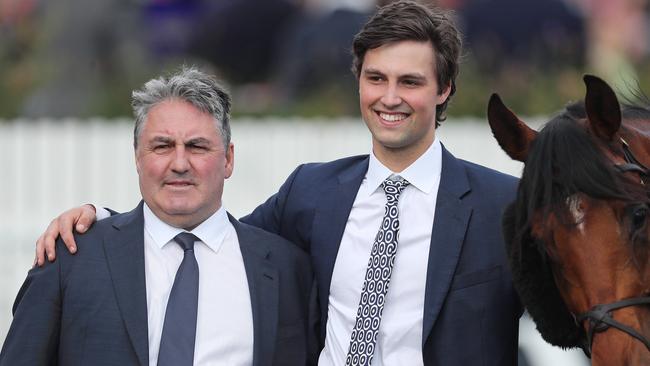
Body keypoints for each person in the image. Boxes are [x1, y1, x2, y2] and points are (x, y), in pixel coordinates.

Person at [33, 1, 522, 365]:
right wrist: (106, 221)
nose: (389, 98)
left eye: (410, 82)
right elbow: (212, 241)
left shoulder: (503, 204)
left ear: (445, 88)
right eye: (376, 78)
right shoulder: (312, 191)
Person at [1, 67, 316, 366]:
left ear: (228, 159)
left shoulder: (287, 271)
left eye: (197, 146)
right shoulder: (70, 257)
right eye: (162, 146)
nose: (179, 163)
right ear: (138, 156)